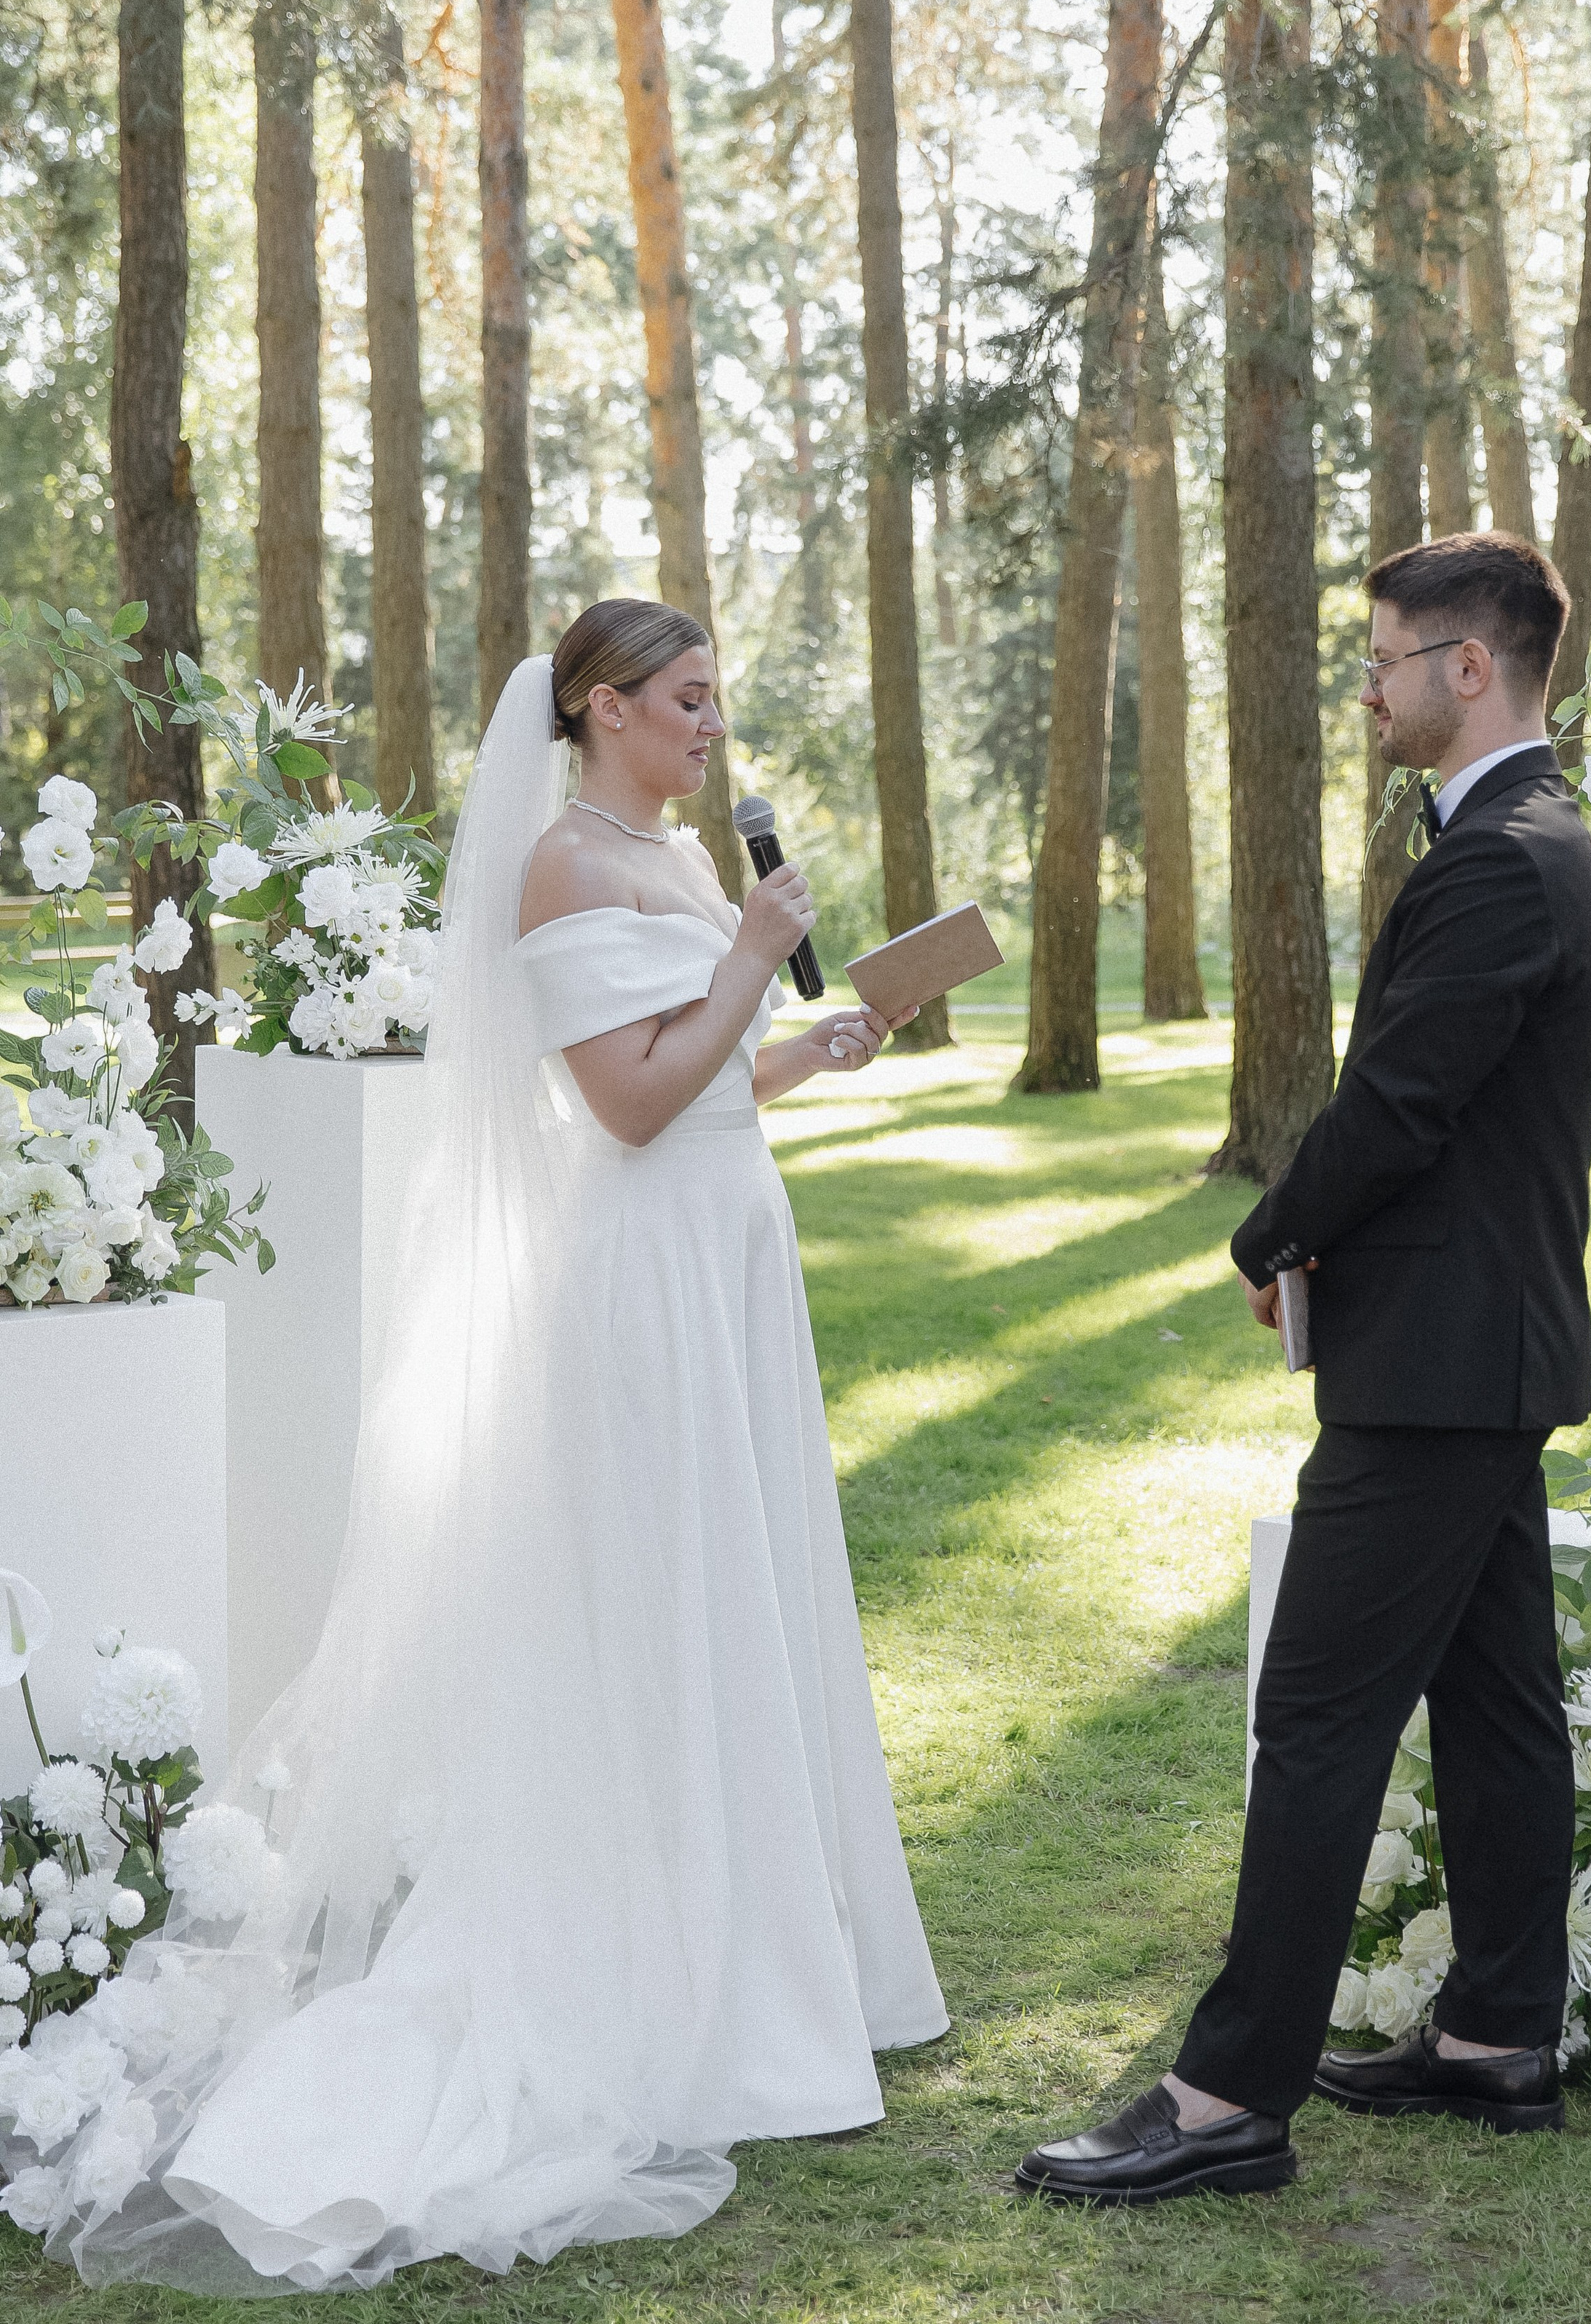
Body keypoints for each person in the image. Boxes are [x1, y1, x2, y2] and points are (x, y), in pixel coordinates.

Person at [21, 603, 946, 2291]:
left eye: (714, 700)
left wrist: (803, 1042)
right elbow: (624, 1104)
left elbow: (704, 1077)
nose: (710, 725)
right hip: (644, 1277)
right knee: (661, 1602)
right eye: (684, 700)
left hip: (727, 1253)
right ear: (599, 709)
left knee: (733, 1585)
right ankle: (669, 1968)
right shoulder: (563, 868)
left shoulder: (674, 862)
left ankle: (761, 1939)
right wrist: (754, 956)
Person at [1018, 531, 1591, 2207]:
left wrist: (1268, 1235)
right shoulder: (1526, 838)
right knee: (1495, 1706)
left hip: (1437, 1366)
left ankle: (1224, 2098)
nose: (1365, 687)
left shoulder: (1501, 858)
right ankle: (1496, 2035)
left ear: (1468, 668)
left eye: (1385, 658)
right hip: (1475, 1355)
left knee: (1313, 1716)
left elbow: (1398, 1105)